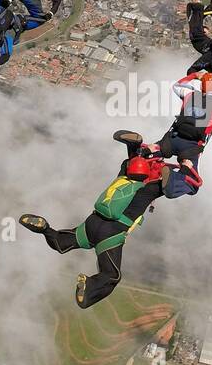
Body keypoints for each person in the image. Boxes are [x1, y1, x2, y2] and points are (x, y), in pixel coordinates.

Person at [18, 131, 187, 309]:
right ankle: (88, 286)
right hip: (112, 232)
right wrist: (185, 166)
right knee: (111, 276)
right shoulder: (150, 190)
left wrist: (135, 148)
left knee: (61, 243)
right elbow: (171, 186)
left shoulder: (122, 177)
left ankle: (45, 228)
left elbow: (130, 162)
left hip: (93, 223)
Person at [154, 71, 212, 197]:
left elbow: (177, 85)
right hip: (192, 148)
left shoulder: (189, 94)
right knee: (194, 184)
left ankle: (140, 154)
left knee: (150, 151)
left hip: (172, 139)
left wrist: (194, 75)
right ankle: (173, 179)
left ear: (201, 85)